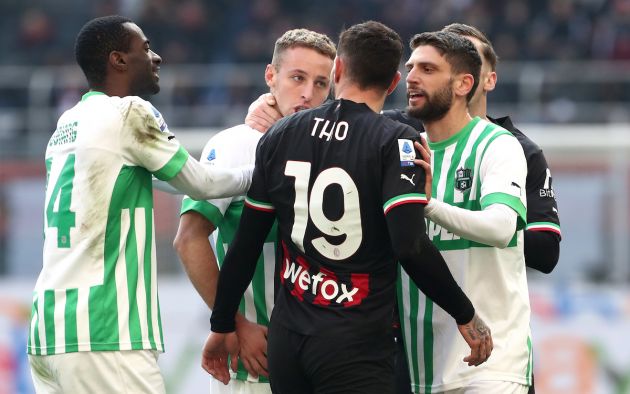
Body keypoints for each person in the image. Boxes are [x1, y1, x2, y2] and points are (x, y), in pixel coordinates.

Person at [202, 21, 493, 394]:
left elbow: (246, 243)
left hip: (288, 344)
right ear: (392, 85)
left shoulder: (280, 134)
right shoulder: (396, 140)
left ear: (337, 69)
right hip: (354, 343)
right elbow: (409, 245)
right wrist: (465, 314)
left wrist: (222, 322)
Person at [27, 15, 253, 393]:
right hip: (104, 332)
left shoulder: (67, 123)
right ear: (118, 60)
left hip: (48, 332)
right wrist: (261, 171)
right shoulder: (128, 111)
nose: (157, 57)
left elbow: (148, 181)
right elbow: (201, 182)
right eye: (146, 49)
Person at [384, 24, 561, 394]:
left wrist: (428, 206)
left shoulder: (499, 145)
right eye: (412, 67)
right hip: (421, 365)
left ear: (467, 83)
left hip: (493, 363)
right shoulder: (400, 147)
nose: (412, 78)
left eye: (428, 70)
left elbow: (500, 228)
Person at [173, 28, 336, 393]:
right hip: (256, 365)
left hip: (325, 364)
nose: (308, 93)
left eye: (321, 83)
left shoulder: (337, 150)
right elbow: (189, 239)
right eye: (297, 78)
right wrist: (234, 323)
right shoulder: (236, 145)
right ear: (270, 76)